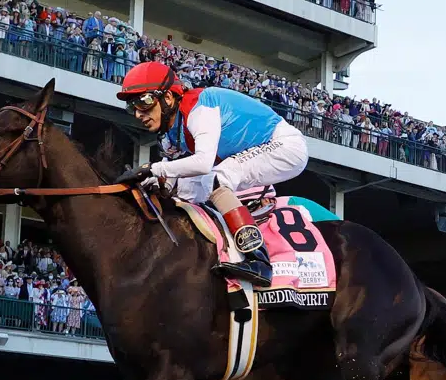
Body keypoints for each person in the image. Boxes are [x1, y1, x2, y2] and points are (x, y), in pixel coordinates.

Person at [115, 61, 308, 286]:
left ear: (167, 98)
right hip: (252, 151)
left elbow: (203, 164)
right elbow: (176, 179)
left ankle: (259, 259)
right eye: (132, 107)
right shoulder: (171, 132)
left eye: (144, 102)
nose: (138, 114)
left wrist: (152, 168)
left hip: (285, 145)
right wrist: (154, 182)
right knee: (186, 190)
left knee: (218, 179)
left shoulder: (199, 108)